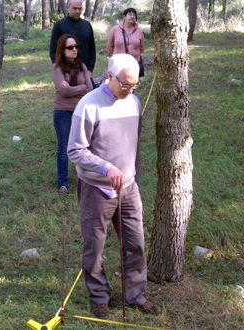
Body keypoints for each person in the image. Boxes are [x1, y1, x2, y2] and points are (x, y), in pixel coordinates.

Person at [67, 54, 159, 318]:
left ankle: (135, 295)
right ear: (108, 76)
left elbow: (133, 149)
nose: (130, 91)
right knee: (94, 247)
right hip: (96, 189)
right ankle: (99, 297)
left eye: (135, 85)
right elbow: (74, 150)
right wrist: (106, 167)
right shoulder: (88, 106)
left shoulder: (134, 102)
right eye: (125, 85)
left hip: (128, 189)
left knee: (135, 244)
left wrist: (134, 180)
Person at [52, 34, 93, 197]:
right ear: (62, 50)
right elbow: (63, 91)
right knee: (64, 147)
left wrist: (74, 89)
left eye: (76, 46)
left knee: (84, 145)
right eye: (70, 47)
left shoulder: (82, 66)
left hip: (81, 111)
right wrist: (80, 88)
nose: (74, 49)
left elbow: (90, 89)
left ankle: (86, 179)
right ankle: (63, 183)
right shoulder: (57, 68)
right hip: (63, 112)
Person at [49, 0, 96, 87]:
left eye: (80, 9)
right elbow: (53, 50)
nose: (78, 11)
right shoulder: (59, 25)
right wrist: (60, 71)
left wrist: (89, 70)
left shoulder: (87, 25)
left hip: (84, 70)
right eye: (74, 8)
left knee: (90, 96)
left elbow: (92, 50)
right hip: (66, 72)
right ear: (68, 8)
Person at [106, 8, 145, 74]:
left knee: (133, 83)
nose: (132, 16)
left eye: (134, 15)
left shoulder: (139, 31)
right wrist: (117, 56)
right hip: (118, 64)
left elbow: (141, 48)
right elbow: (110, 46)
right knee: (118, 82)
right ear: (124, 17)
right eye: (130, 14)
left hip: (134, 63)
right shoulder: (115, 29)